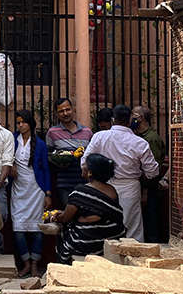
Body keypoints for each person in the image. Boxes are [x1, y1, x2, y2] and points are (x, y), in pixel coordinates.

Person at [81, 105, 158, 242]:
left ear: (112, 120)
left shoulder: (99, 137)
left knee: (105, 223)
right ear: (130, 120)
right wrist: (139, 174)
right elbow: (153, 171)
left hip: (103, 187)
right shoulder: (140, 143)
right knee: (131, 228)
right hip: (130, 187)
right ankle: (132, 260)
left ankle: (105, 258)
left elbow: (85, 163)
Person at [46, 153, 126, 264]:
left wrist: (54, 216)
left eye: (85, 164)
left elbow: (65, 219)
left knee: (63, 231)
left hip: (87, 242)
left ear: (90, 171)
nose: (82, 166)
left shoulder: (80, 191)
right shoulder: (112, 190)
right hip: (112, 236)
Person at [9, 109, 52, 278]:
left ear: (30, 124)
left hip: (36, 190)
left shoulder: (40, 144)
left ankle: (34, 264)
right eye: (18, 122)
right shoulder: (12, 139)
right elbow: (5, 156)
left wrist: (48, 193)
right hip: (18, 189)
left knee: (37, 229)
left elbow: (46, 170)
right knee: (18, 229)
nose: (20, 125)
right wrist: (10, 163)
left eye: (23, 122)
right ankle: (25, 263)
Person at [46, 97, 94, 209]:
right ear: (56, 114)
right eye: (61, 111)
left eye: (67, 110)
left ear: (73, 110)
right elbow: (47, 155)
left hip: (85, 182)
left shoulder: (87, 132)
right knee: (68, 215)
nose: (65, 113)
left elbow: (93, 154)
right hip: (64, 183)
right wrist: (57, 160)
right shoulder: (52, 133)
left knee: (85, 214)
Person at [132, 105, 169, 244]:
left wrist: (145, 192)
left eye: (133, 114)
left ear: (140, 118)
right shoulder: (139, 136)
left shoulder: (151, 139)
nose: (130, 118)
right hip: (142, 188)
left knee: (152, 226)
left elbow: (154, 169)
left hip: (151, 191)